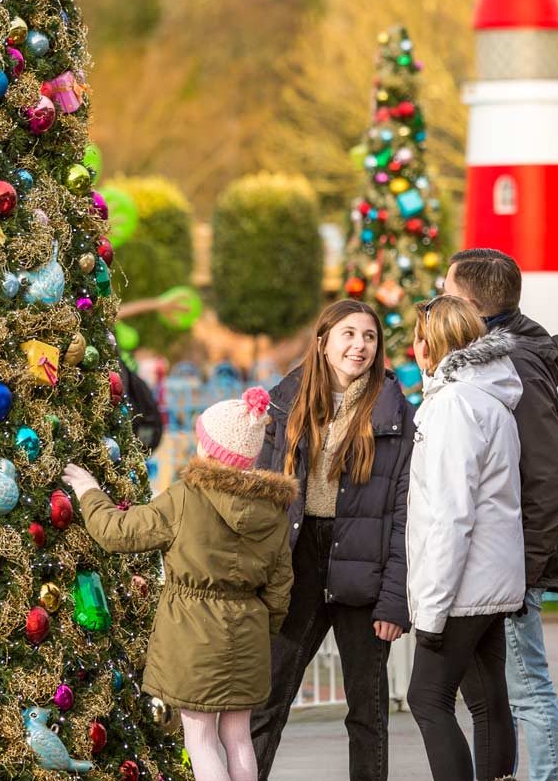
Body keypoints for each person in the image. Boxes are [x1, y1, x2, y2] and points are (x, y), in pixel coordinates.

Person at [61, 387, 296, 781]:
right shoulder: (273, 509)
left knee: (200, 737)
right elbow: (280, 585)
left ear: (209, 450)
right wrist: (264, 629)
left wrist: (89, 492)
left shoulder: (186, 497)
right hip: (248, 633)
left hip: (194, 633)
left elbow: (118, 532)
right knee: (238, 736)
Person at [249, 299, 415, 781]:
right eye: (348, 334)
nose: (359, 345)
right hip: (299, 559)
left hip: (364, 564)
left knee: (367, 712)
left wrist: (392, 601)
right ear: (323, 341)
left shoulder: (394, 414)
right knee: (268, 698)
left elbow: (404, 514)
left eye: (368, 336)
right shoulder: (287, 401)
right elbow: (262, 491)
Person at [444, 248, 558, 781]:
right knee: (501, 691)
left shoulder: (515, 363)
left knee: (527, 688)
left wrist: (525, 565)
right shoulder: (504, 353)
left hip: (513, 561)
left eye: (447, 295)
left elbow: (549, 474)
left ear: (471, 305)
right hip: (501, 558)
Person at [405, 295, 524, 781]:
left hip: (461, 587)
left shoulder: (453, 405)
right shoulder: (487, 398)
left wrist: (431, 608)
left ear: (429, 345)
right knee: (485, 698)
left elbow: (451, 514)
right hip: (489, 582)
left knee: (427, 699)